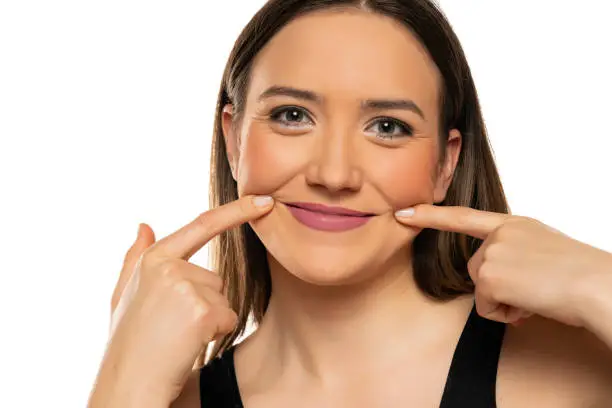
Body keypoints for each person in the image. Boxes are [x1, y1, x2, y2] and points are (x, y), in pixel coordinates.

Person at [88, 0, 612, 407]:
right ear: (233, 139)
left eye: (387, 127)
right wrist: (122, 381)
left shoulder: (574, 373)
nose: (333, 174)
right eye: (293, 116)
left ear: (446, 164)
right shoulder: (160, 402)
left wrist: (600, 285)